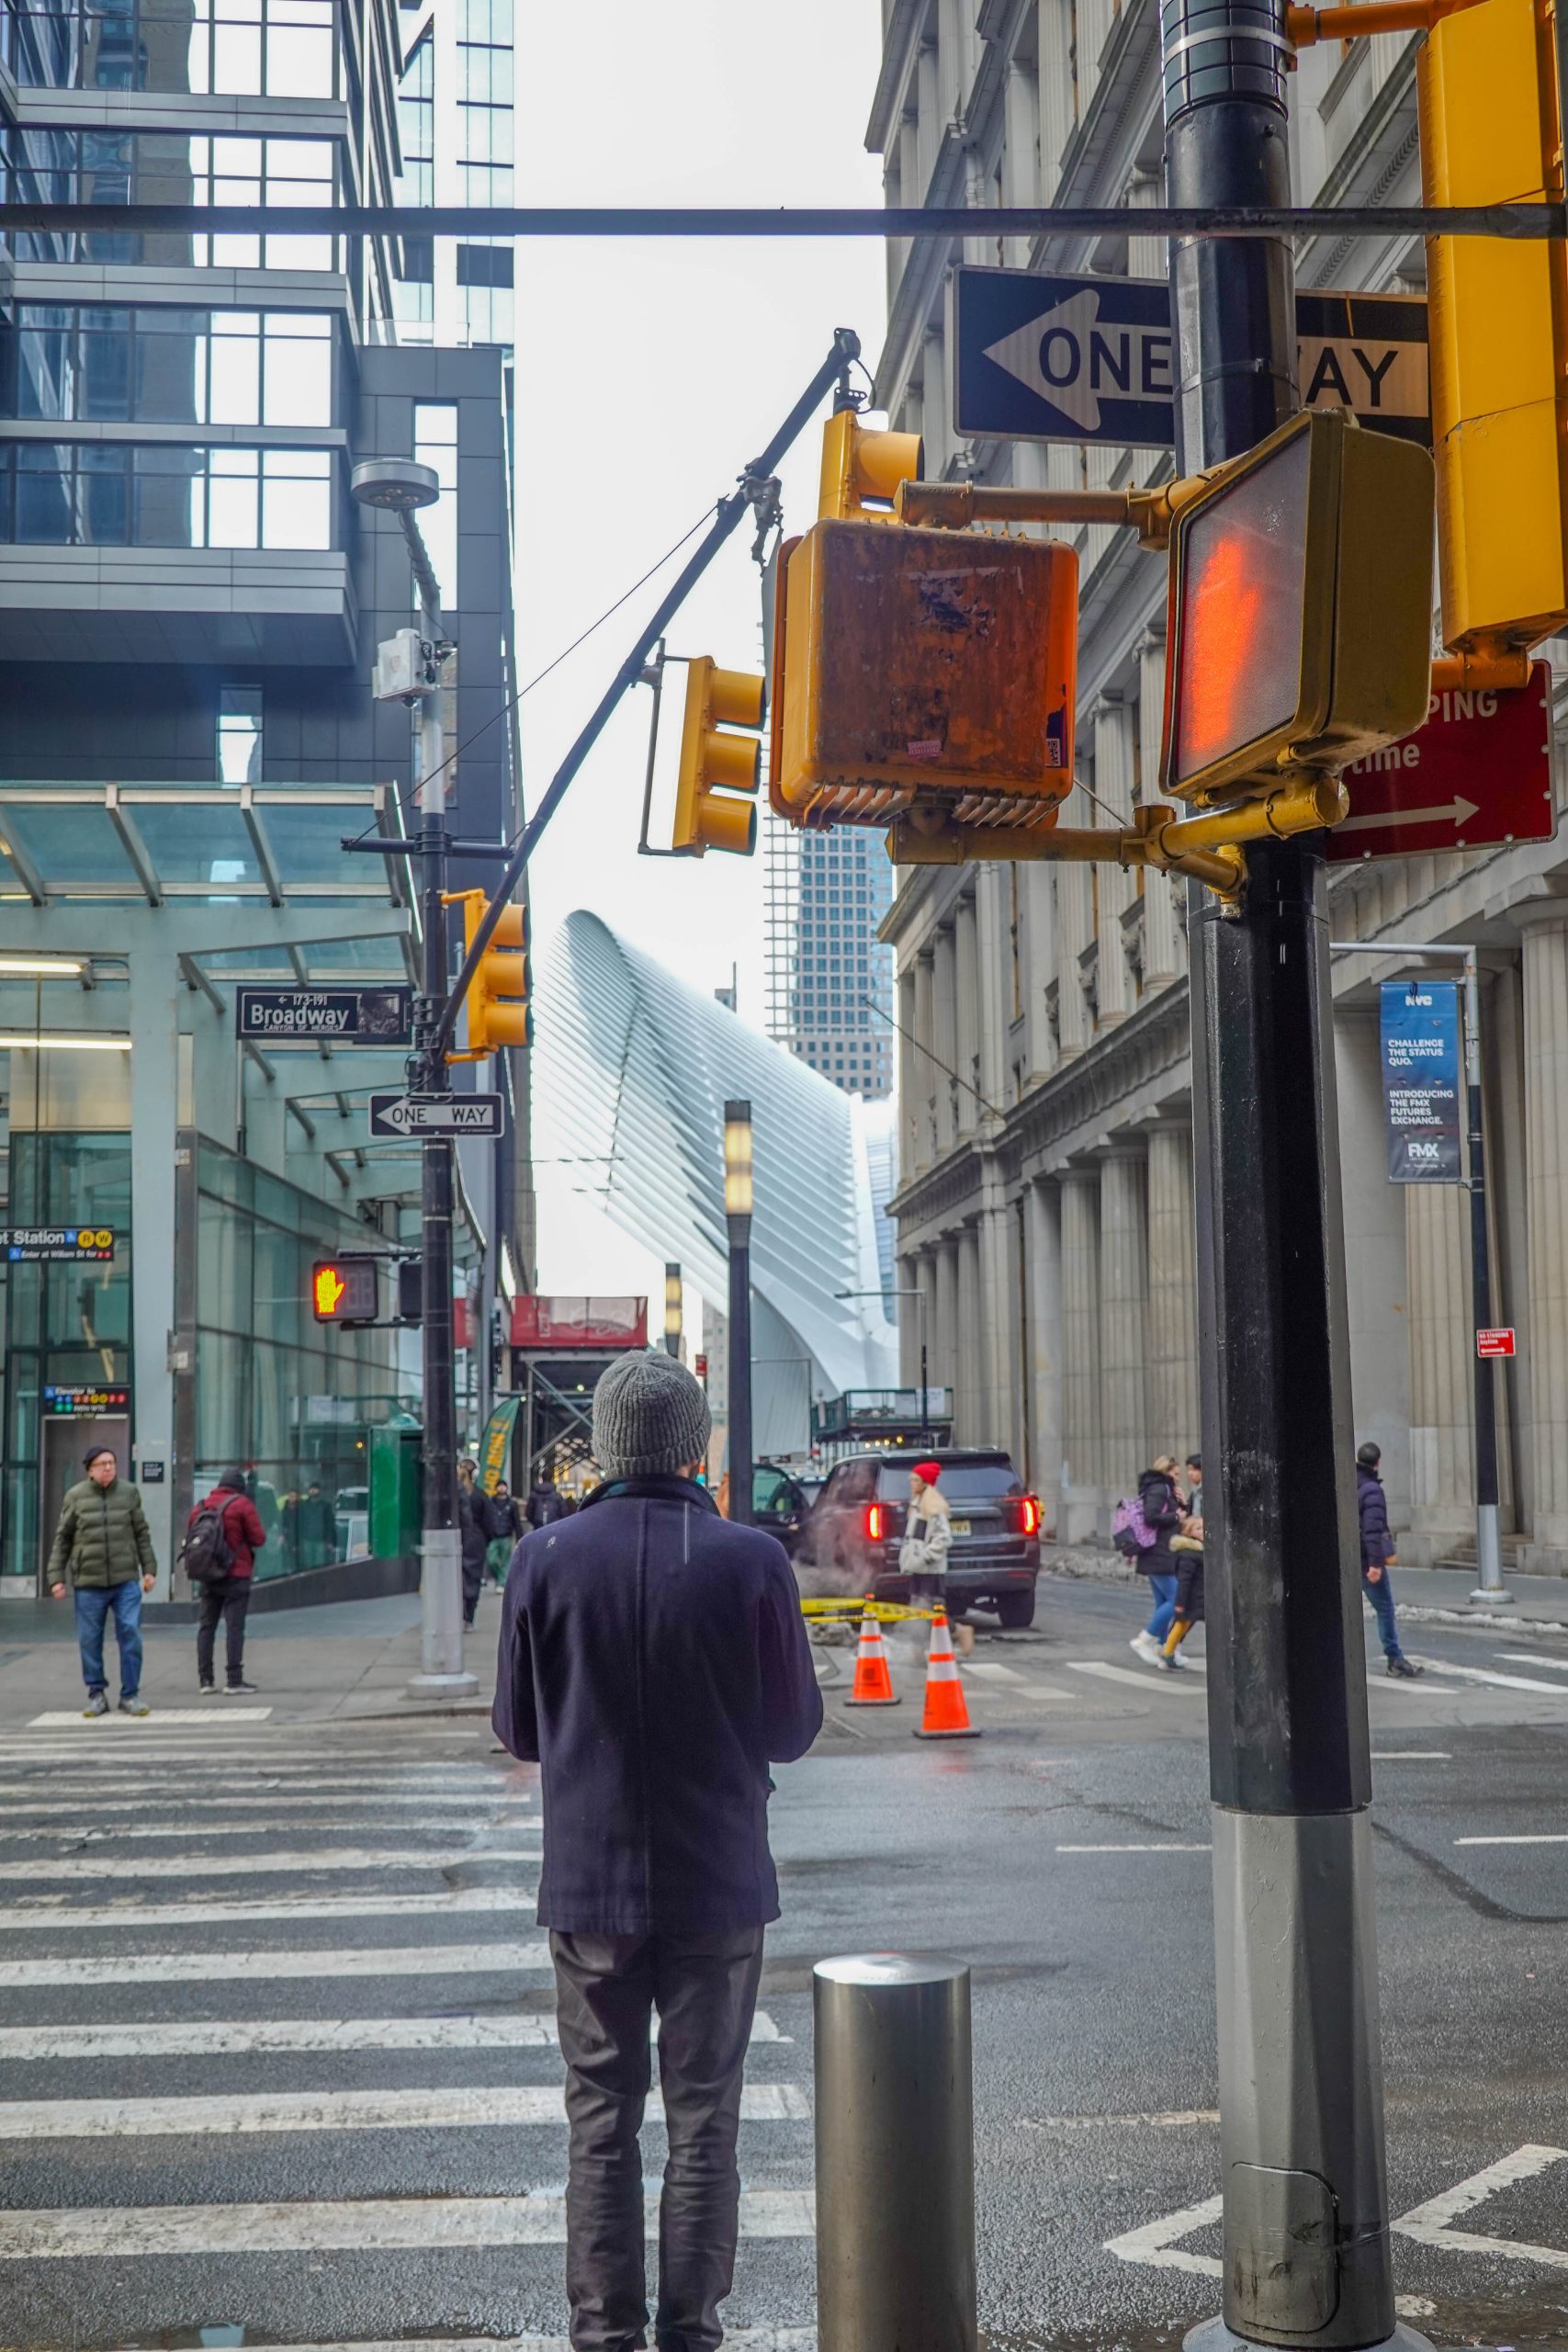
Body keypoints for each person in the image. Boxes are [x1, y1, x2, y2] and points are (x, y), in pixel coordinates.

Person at [493, 1350, 822, 2352]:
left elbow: (518, 1729)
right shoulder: (749, 1559)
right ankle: (690, 2332)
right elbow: (792, 1729)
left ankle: (604, 2334)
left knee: (600, 2119)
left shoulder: (544, 1557)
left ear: (602, 1447)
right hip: (718, 1878)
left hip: (589, 1883)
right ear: (693, 1446)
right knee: (704, 2121)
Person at [47, 1444, 158, 1718]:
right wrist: (56, 1577)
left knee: (130, 1633)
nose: (108, 1468)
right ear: (90, 1470)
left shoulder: (129, 1493)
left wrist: (149, 1569)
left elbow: (141, 1533)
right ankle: (96, 1694)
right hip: (89, 1582)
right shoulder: (76, 1496)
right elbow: (63, 1539)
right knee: (89, 1640)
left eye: (111, 1463)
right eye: (101, 1464)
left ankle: (130, 1695)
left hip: (125, 1580)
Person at [190, 1464, 267, 1695]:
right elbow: (259, 1538)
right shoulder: (242, 1505)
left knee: (207, 1626)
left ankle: (205, 1680)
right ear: (239, 1487)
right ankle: (234, 1680)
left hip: (208, 1574)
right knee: (234, 1627)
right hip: (236, 1574)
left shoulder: (201, 1506)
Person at [1358, 1442, 1421, 1678]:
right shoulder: (1372, 1490)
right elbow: (1372, 1530)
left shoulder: (1350, 1483)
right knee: (1385, 1608)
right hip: (1366, 1561)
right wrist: (1375, 1564)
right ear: (1378, 1462)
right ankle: (1394, 1659)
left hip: (1350, 1558)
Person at [1129, 1455, 1182, 1665]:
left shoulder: (1160, 1489)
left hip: (1157, 1552)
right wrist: (1175, 1516)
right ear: (1166, 1472)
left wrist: (1181, 1504)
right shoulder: (1160, 1489)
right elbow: (1151, 1517)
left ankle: (1163, 1647)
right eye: (1175, 1474)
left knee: (1163, 1602)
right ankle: (1145, 1639)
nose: (1178, 1478)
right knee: (1177, 1599)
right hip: (1159, 1553)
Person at [898, 1459, 952, 1607]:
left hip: (930, 1570)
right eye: (911, 1480)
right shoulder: (916, 1506)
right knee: (917, 1604)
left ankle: (950, 1625)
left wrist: (926, 1556)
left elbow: (944, 1538)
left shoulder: (934, 1508)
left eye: (916, 1480)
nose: (912, 1483)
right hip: (918, 1568)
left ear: (925, 1483)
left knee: (929, 1606)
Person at [457, 1457, 488, 1627]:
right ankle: (469, 1616)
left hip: (456, 1539)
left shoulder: (453, 1493)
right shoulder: (480, 1495)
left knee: (457, 1579)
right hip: (476, 1541)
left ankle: (459, 1614)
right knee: (473, 1579)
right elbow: (489, 1521)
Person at [485, 1479, 525, 1586]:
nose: (501, 1488)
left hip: (506, 1535)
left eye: (503, 1486)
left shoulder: (512, 1504)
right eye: (499, 1486)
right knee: (491, 1559)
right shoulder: (490, 1502)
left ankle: (501, 1583)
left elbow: (516, 1522)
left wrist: (519, 1537)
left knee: (505, 1561)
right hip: (493, 1536)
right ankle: (501, 1578)